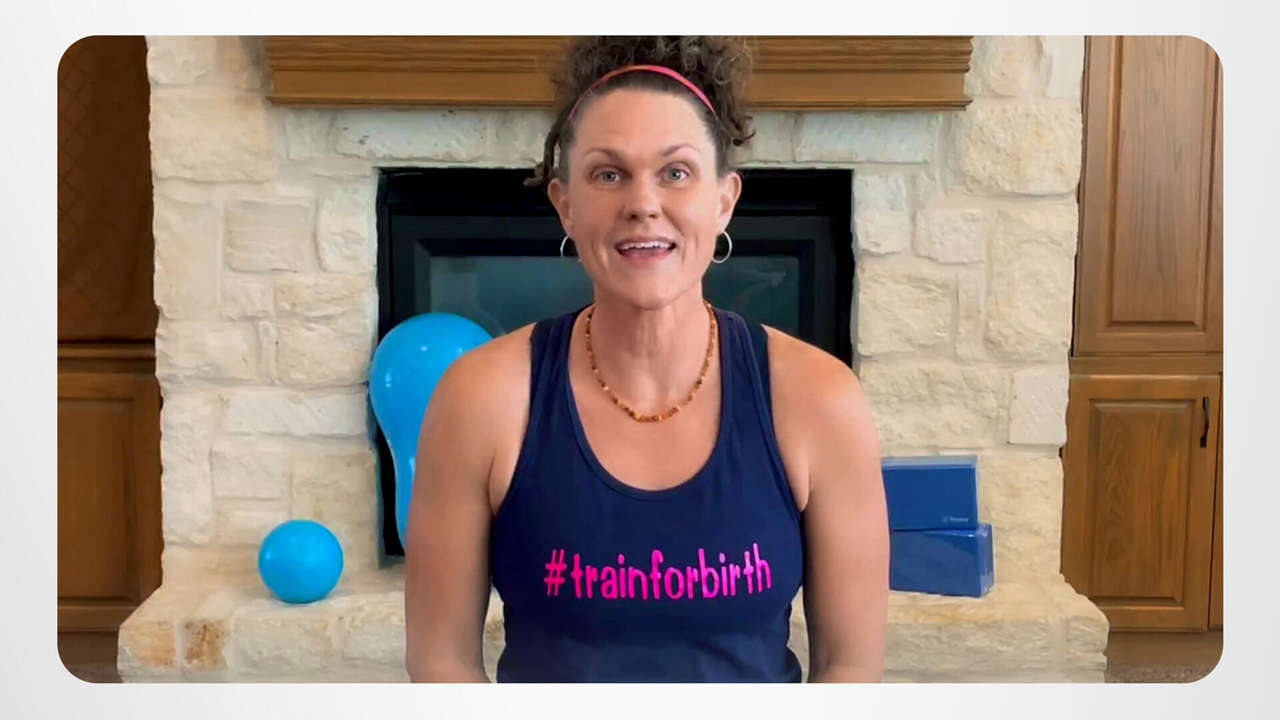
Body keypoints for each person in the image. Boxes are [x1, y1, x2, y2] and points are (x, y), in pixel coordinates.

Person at [404, 36, 888, 683]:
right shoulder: (478, 397)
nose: (642, 203)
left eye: (676, 172)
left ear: (724, 200)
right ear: (565, 205)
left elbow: (850, 668)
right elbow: (440, 662)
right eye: (609, 174)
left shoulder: (821, 399)